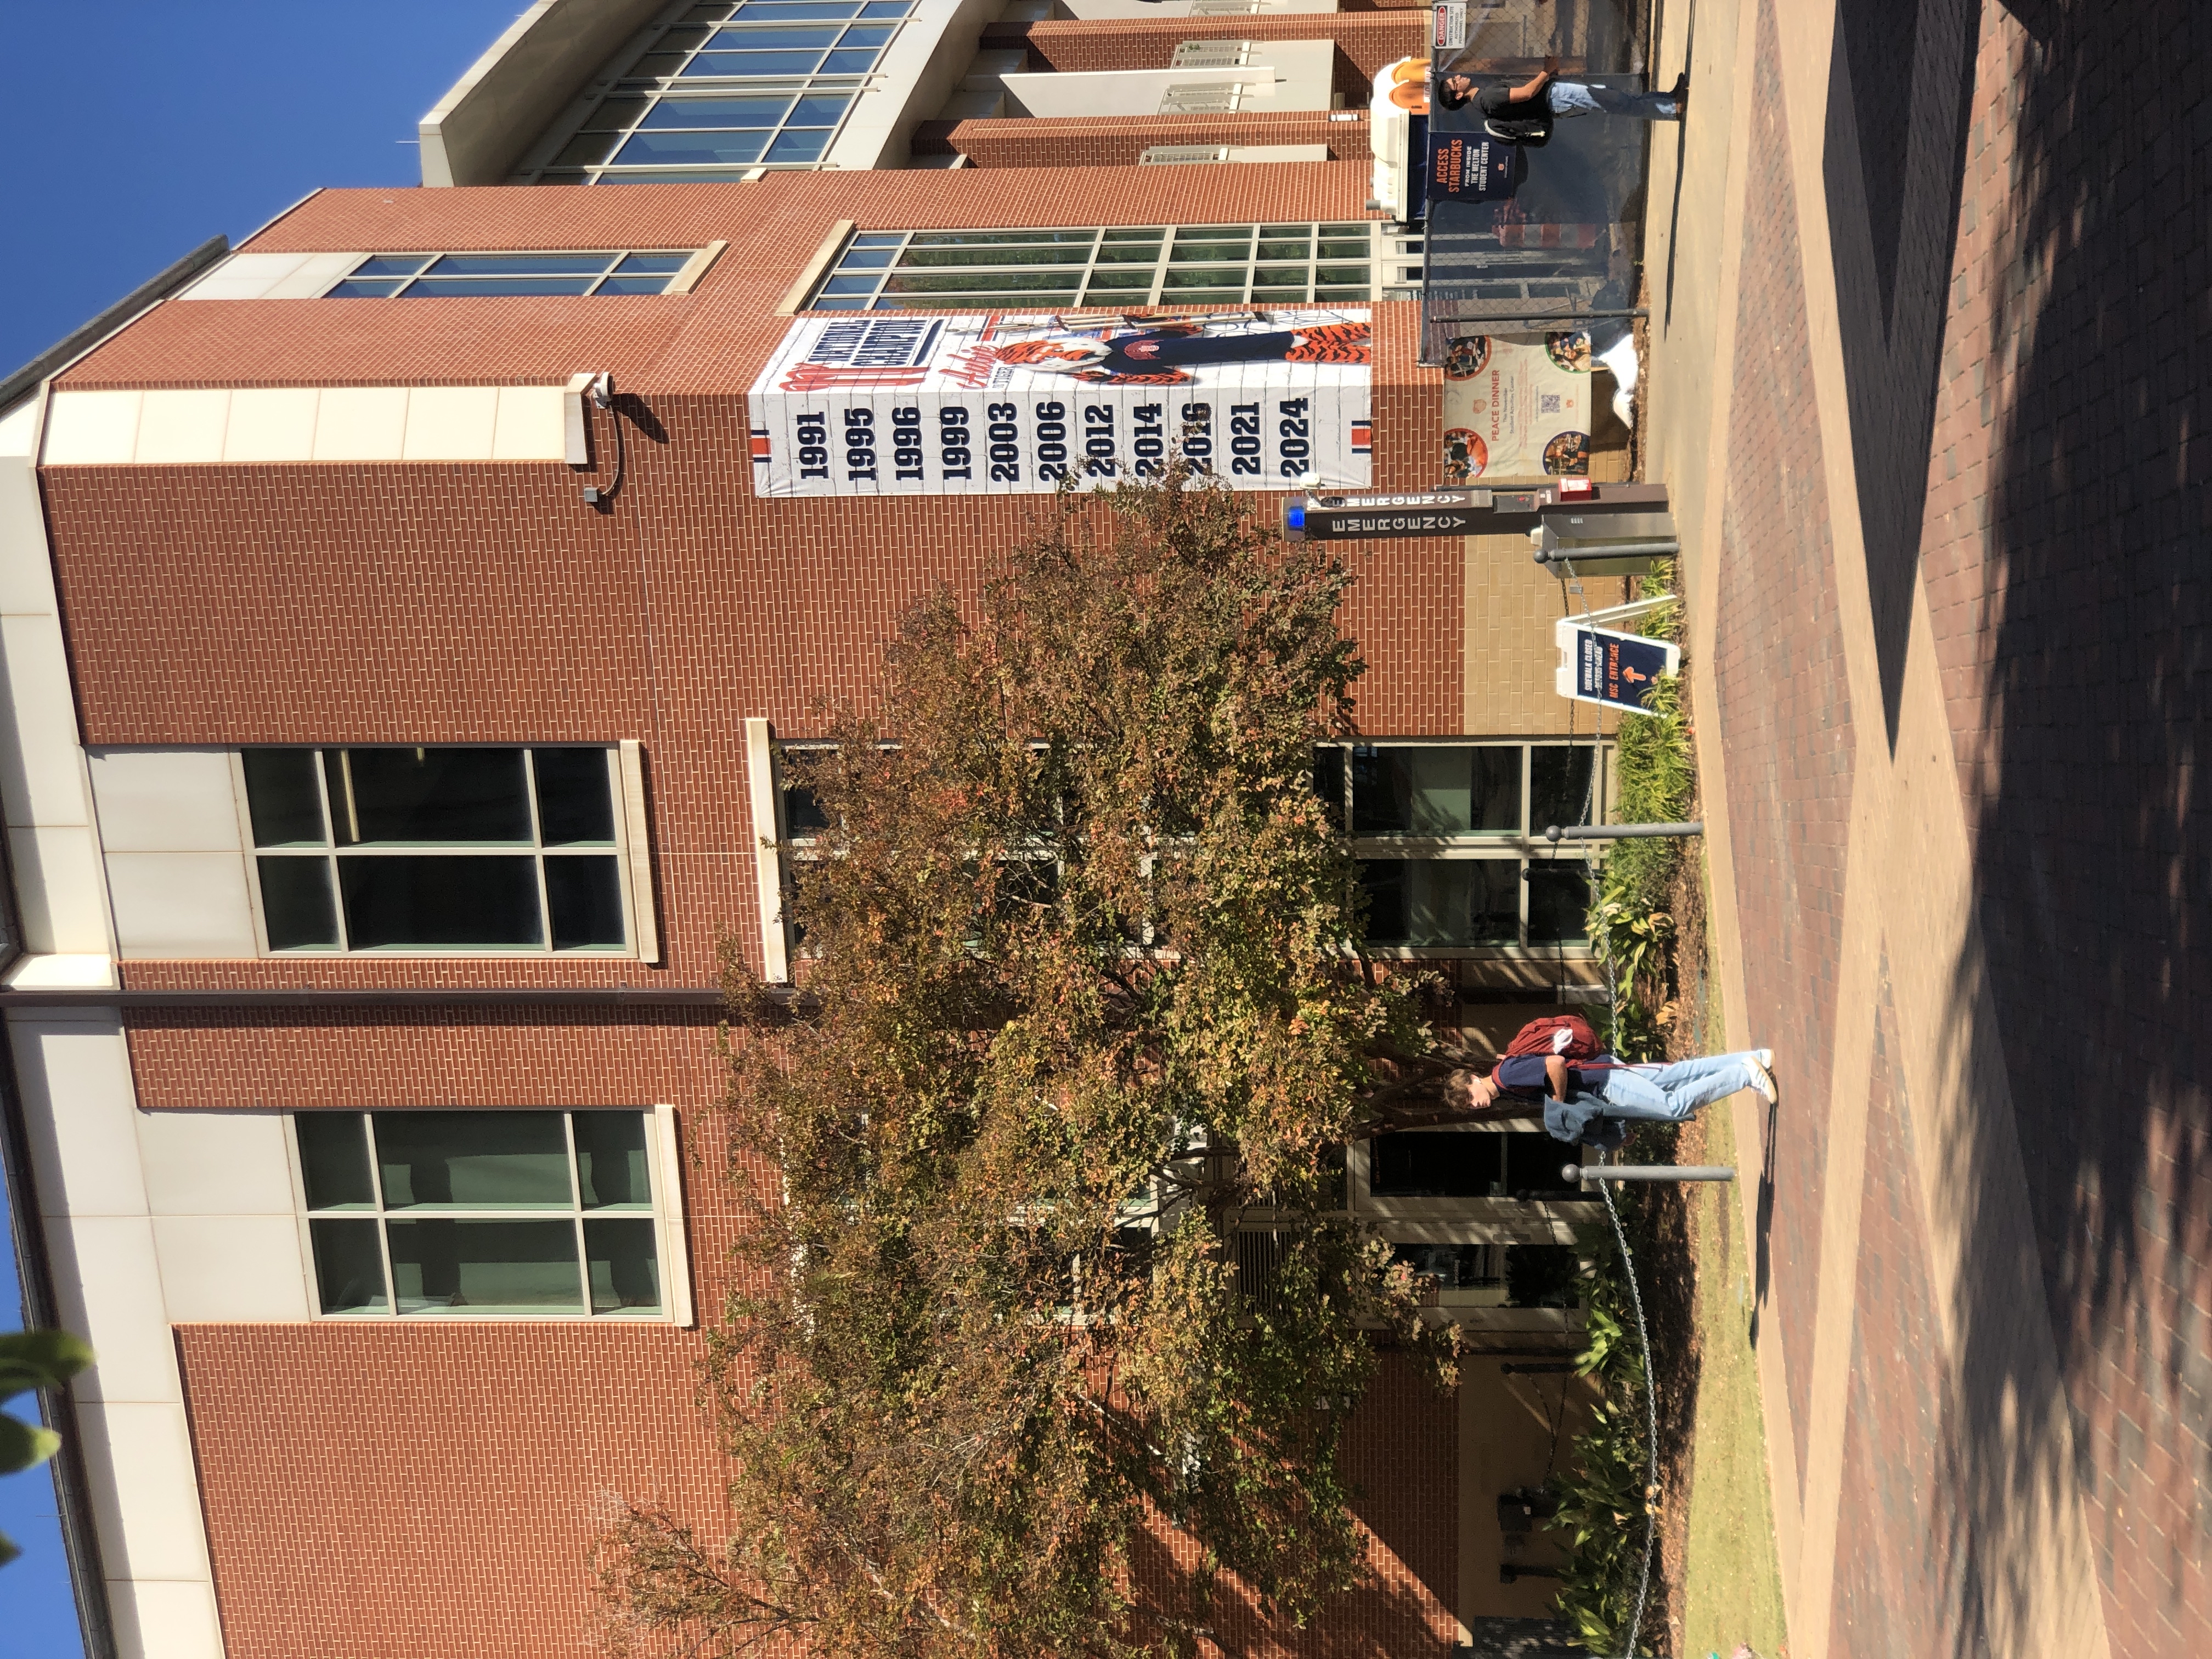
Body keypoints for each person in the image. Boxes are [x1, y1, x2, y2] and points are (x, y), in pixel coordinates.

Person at [1473, 1045, 1777, 1147]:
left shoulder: (1506, 1077)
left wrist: (1558, 1102)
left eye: (1468, 1097)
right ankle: (1757, 1058)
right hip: (1605, 1071)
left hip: (1605, 1081)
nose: (1474, 1104)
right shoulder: (1507, 1080)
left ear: (1473, 1079)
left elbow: (1555, 1064)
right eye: (1469, 1106)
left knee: (1673, 1106)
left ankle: (1746, 1073)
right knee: (1682, 1072)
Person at [1437, 56, 1688, 125]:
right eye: (1453, 82)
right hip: (1556, 98)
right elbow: (1525, 94)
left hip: (1555, 97)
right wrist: (1547, 71)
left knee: (1613, 97)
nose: (1457, 77)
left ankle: (1669, 99)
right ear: (1458, 95)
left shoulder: (1482, 103)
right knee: (1616, 101)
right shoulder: (1487, 98)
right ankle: (1672, 109)